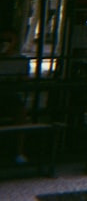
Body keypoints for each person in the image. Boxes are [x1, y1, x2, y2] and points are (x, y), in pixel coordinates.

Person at [0, 28, 29, 165]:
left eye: (8, 41)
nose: (4, 44)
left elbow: (24, 81)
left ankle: (18, 151)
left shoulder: (20, 61)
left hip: (10, 96)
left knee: (20, 113)